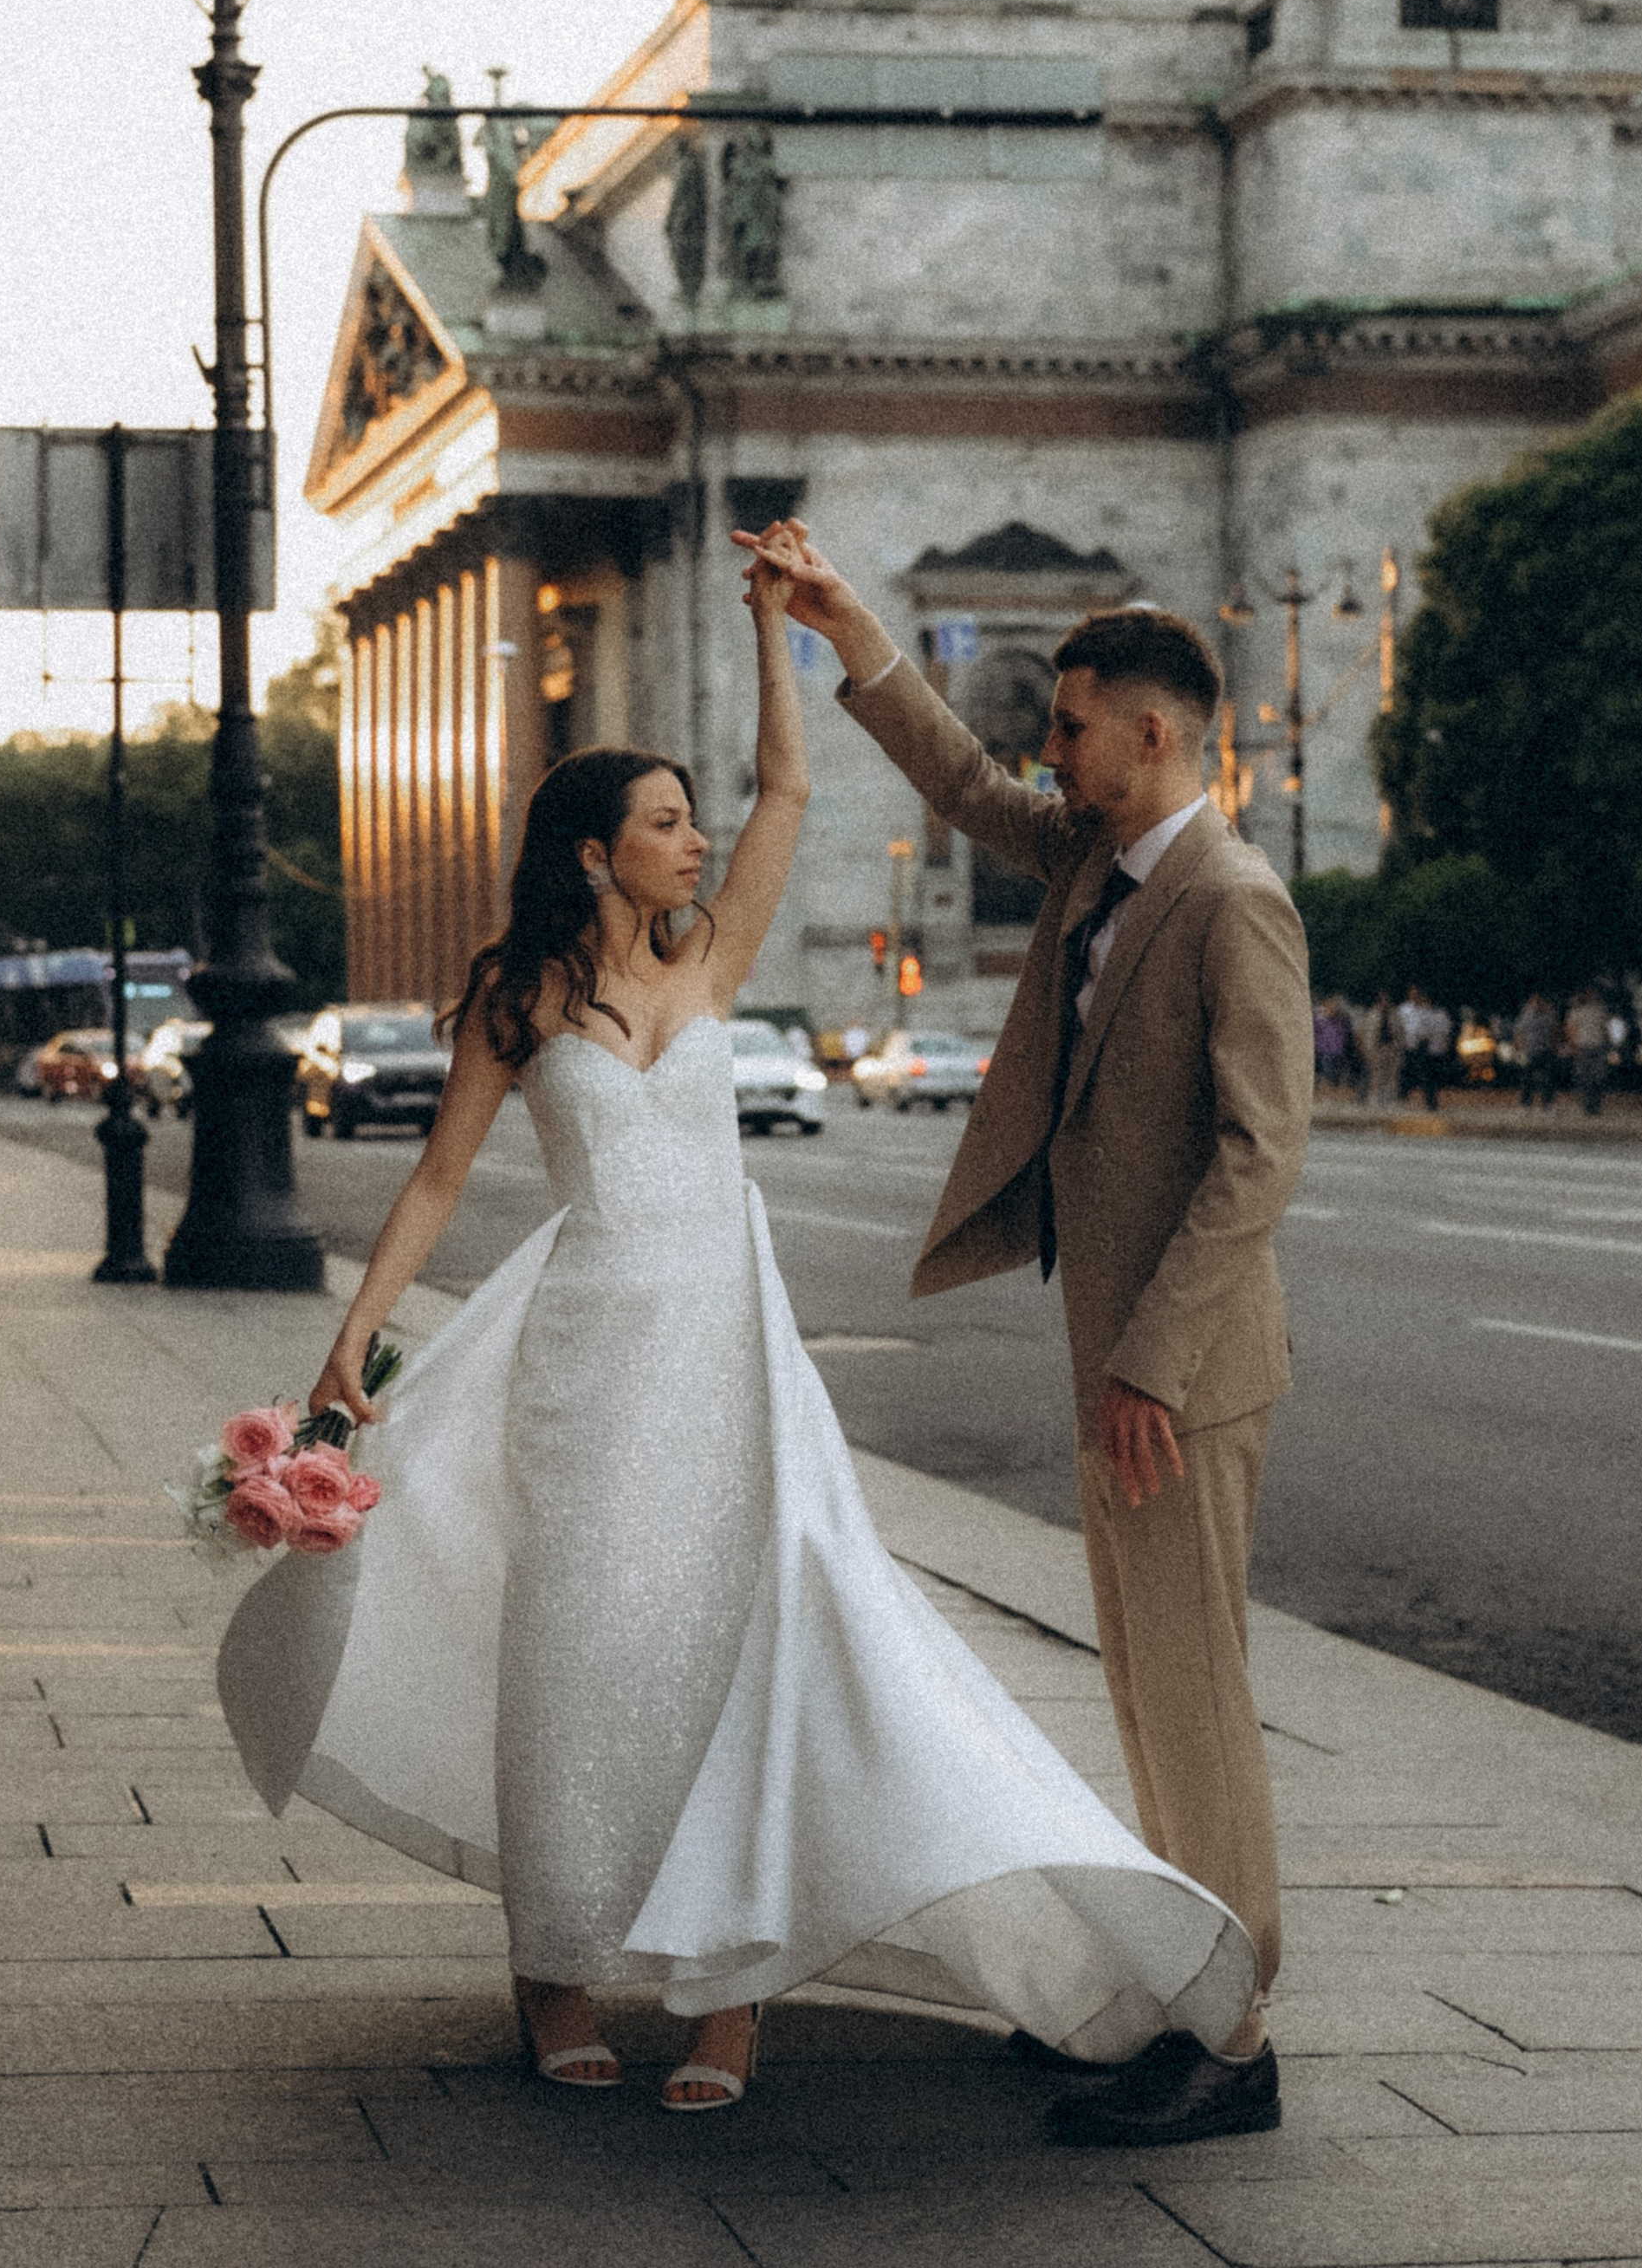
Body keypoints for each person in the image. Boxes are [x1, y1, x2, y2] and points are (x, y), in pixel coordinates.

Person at [214, 541, 1253, 2122]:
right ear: (591, 853)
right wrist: (352, 1344)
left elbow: (788, 789)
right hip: (586, 1362)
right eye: (663, 825)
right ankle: (553, 1970)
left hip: (727, 1361)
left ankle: (734, 1996)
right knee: (569, 1654)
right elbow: (436, 1182)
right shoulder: (517, 994)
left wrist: (782, 630)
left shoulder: (716, 955)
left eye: (693, 823)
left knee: (744, 1649)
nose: (696, 844)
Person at [752, 522, 1311, 2153]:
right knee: (1148, 1696)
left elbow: (1262, 1153)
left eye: (1070, 728)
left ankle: (1237, 2033)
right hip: (1120, 1361)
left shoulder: (1230, 897)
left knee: (1194, 1701)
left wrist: (1149, 1359)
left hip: (1178, 1375)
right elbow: (960, 785)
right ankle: (1173, 1988)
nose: (1045, 754)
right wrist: (846, 624)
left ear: (1153, 731)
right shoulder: (1097, 859)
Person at [1397, 984, 1450, 1106]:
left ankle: (1431, 1099)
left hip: (1432, 1048)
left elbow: (1445, 1031)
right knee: (1411, 1072)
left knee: (1432, 1074)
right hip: (1413, 1046)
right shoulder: (1405, 1010)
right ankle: (1406, 1095)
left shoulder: (1438, 1013)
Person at [1566, 986, 1613, 1118]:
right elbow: (1571, 1029)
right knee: (1584, 1078)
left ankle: (1595, 1105)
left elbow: (1605, 1028)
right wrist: (1573, 1044)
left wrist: (1608, 1043)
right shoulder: (1576, 1011)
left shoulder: (1600, 1010)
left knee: (1599, 1077)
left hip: (1598, 1046)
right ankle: (1588, 1106)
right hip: (1583, 1047)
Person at [1513, 988, 1561, 1111]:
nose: (1537, 1004)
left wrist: (1555, 1047)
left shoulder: (1550, 1015)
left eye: (1539, 1001)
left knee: (1548, 1079)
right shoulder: (1526, 1015)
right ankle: (1526, 1103)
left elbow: (1555, 1031)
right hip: (1529, 1051)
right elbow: (1519, 1033)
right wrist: (1520, 1049)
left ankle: (1548, 1103)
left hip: (1546, 1050)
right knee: (1527, 1078)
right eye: (1534, 1001)